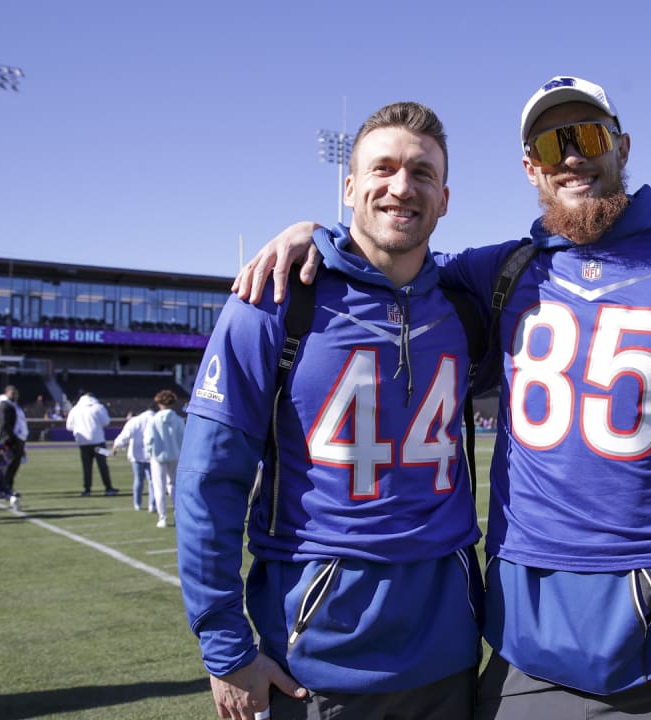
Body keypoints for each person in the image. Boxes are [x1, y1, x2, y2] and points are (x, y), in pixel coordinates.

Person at [239, 76, 651, 720]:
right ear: (529, 166)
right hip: (524, 655)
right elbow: (391, 256)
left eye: (587, 135)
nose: (571, 155)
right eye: (549, 141)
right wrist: (318, 237)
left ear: (621, 146)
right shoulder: (497, 273)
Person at [177, 102, 490, 720]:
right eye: (384, 168)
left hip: (450, 657)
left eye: (423, 173)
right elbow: (208, 480)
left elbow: (562, 250)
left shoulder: (467, 301)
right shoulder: (272, 301)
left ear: (446, 197)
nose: (402, 186)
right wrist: (224, 646)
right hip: (316, 663)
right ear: (349, 187)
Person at [142, 390, 183, 529]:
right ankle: (179, 515)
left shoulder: (153, 420)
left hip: (157, 457)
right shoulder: (178, 420)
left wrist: (149, 453)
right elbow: (183, 439)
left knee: (159, 488)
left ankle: (163, 518)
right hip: (175, 456)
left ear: (159, 403)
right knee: (174, 486)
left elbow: (148, 439)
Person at [65, 391, 117, 497]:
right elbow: (106, 421)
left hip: (83, 443)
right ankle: (108, 488)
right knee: (103, 465)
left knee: (86, 467)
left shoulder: (75, 410)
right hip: (98, 441)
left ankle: (87, 489)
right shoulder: (98, 407)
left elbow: (69, 426)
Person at [112, 406, 156, 512]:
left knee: (138, 480)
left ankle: (137, 504)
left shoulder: (135, 421)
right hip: (152, 455)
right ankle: (152, 505)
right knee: (153, 481)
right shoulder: (156, 419)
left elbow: (125, 435)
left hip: (137, 455)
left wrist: (116, 445)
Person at [0, 385, 29, 505]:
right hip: (10, 441)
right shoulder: (4, 406)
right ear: (6, 393)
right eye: (12, 393)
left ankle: (7, 489)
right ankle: (1, 491)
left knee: (13, 467)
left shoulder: (13, 406)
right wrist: (10, 439)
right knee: (7, 467)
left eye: (16, 393)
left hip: (17, 440)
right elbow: (4, 425)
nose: (15, 395)